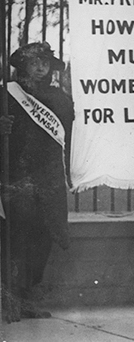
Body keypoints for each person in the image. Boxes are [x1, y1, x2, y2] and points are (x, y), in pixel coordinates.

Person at [0, 42, 72, 322]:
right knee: (15, 238)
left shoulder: (60, 98)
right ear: (23, 66)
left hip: (49, 178)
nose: (41, 67)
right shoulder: (6, 93)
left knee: (43, 239)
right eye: (34, 62)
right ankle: (10, 299)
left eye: (45, 62)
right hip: (17, 178)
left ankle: (28, 298)